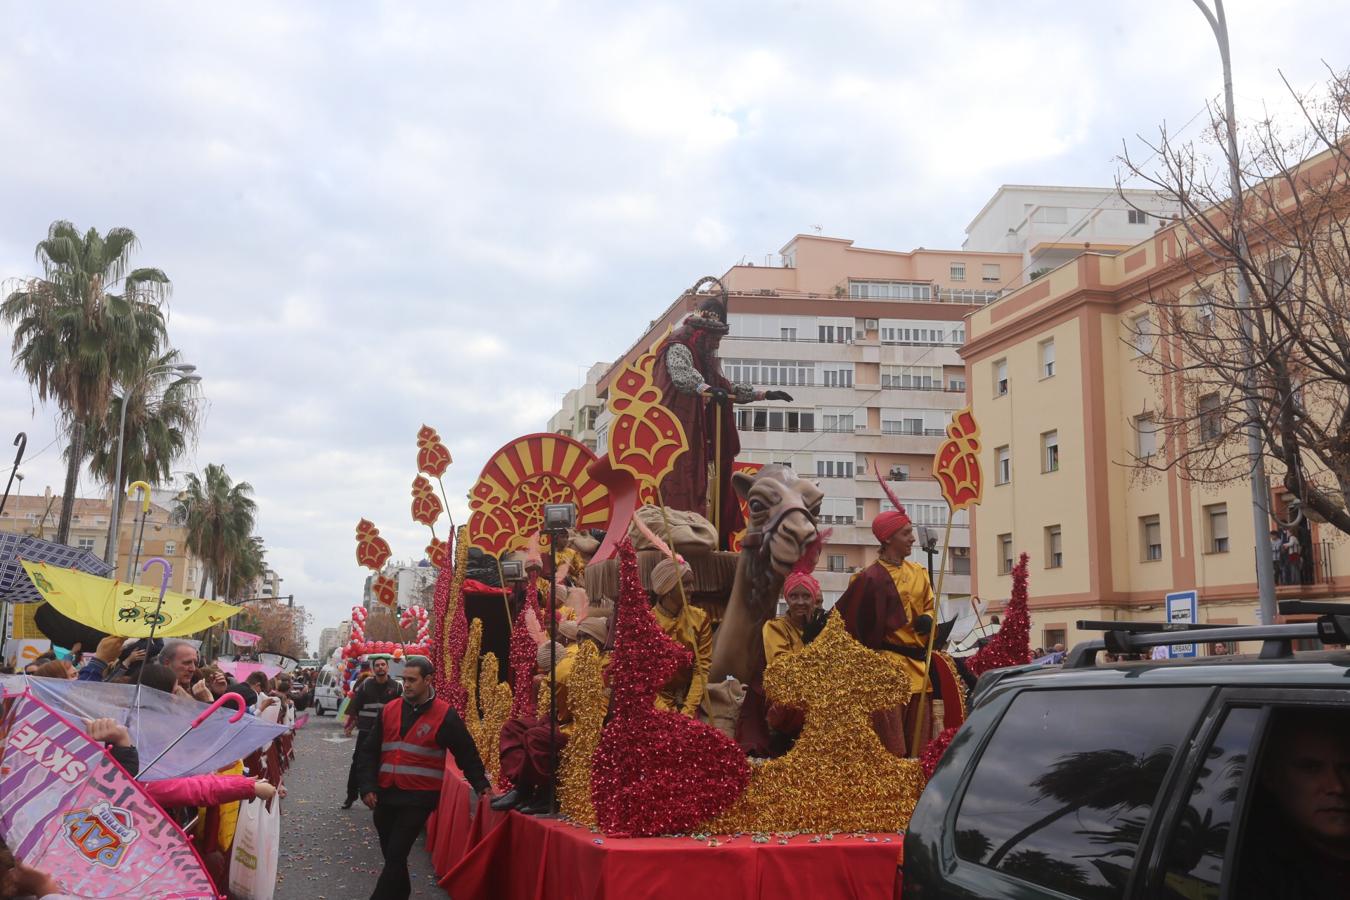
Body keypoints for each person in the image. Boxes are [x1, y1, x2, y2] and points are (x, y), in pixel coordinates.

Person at [651, 282, 793, 547]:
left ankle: (712, 532)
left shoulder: (706, 358)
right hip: (676, 433)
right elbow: (684, 377)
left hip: (701, 436)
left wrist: (764, 394)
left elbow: (725, 388)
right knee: (683, 483)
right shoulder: (678, 346)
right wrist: (707, 389)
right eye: (714, 337)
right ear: (701, 332)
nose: (717, 343)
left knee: (711, 484)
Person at [357, 656, 488, 900]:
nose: (406, 685)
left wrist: (481, 785)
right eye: (404, 679)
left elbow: (466, 752)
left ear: (428, 680)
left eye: (412, 680)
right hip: (385, 795)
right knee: (393, 857)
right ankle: (402, 893)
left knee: (396, 853)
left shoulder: (445, 715)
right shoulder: (390, 709)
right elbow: (368, 751)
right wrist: (366, 786)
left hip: (419, 798)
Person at [835, 492, 935, 757]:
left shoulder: (920, 573)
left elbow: (930, 608)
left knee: (921, 750)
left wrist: (929, 620)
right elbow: (853, 631)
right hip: (885, 675)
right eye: (906, 533)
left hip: (920, 673)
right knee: (892, 752)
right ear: (888, 538)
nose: (912, 538)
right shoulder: (866, 579)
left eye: (911, 532)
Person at [492, 617, 610, 813]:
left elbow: (594, 711)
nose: (579, 642)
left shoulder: (605, 666)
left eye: (585, 637)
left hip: (582, 726)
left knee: (536, 737)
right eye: (578, 637)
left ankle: (546, 794)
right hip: (561, 717)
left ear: (598, 641)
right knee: (513, 727)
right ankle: (523, 787)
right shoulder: (575, 660)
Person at [1237, 709, 1350, 899]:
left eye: (1347, 768)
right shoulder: (1245, 867)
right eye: (1311, 768)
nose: (1337, 786)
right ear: (1271, 776)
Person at [648, 556, 712, 718]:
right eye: (685, 584)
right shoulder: (646, 623)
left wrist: (688, 711)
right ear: (668, 589)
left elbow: (702, 669)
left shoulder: (700, 618)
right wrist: (667, 713)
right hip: (654, 703)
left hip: (692, 701)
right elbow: (643, 677)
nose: (692, 589)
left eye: (691, 583)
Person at [343, 655, 403, 809]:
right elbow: (355, 707)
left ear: (387, 668)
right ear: (373, 668)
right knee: (358, 762)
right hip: (366, 731)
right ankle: (351, 796)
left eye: (383, 665)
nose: (380, 667)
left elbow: (401, 711)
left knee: (384, 764)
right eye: (377, 665)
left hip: (386, 734)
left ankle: (379, 797)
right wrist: (350, 726)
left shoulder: (396, 687)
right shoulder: (365, 686)